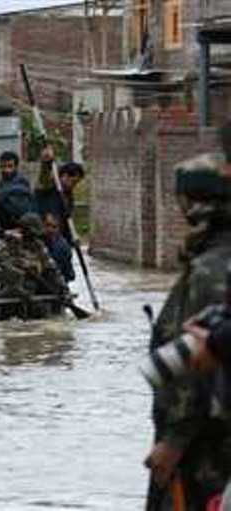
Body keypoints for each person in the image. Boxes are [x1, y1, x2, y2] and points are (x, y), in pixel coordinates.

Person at [144, 154, 231, 511]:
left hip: (207, 447)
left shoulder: (213, 267)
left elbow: (205, 358)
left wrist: (175, 439)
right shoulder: (208, 259)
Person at [0, 212, 67, 300]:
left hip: (36, 283)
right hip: (14, 284)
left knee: (52, 285)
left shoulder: (38, 245)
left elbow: (51, 266)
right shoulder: (11, 243)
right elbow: (1, 261)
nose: (33, 237)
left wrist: (61, 285)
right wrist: (20, 265)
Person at [34, 146, 85, 243]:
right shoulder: (47, 188)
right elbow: (44, 178)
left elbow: (66, 220)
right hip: (42, 237)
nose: (74, 186)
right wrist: (46, 163)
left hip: (57, 239)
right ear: (64, 176)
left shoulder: (68, 197)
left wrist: (72, 238)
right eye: (73, 182)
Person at [0, 150, 35, 230]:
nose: (6, 170)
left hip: (23, 226)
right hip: (6, 227)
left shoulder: (22, 181)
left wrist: (4, 193)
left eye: (10, 166)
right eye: (3, 166)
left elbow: (21, 208)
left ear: (16, 167)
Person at [43, 213, 75, 283]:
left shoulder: (64, 246)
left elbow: (68, 271)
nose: (50, 229)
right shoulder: (36, 242)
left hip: (57, 282)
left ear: (58, 228)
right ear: (43, 226)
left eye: (54, 227)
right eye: (47, 225)